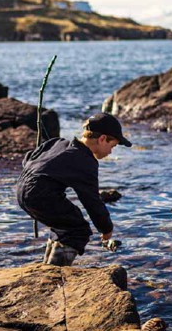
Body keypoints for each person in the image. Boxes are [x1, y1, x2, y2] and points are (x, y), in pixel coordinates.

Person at [16, 112, 132, 266]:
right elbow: (91, 201)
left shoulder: (57, 142)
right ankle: (55, 270)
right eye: (112, 146)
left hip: (21, 188)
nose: (110, 152)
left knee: (64, 224)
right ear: (102, 138)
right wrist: (106, 229)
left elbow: (29, 158)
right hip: (40, 195)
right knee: (78, 230)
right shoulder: (85, 161)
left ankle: (48, 265)